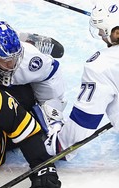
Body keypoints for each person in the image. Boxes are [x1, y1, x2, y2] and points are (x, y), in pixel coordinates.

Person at [45, 0, 119, 161]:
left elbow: (84, 121)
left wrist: (59, 144)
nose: (100, 34)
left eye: (102, 29)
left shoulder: (101, 65)